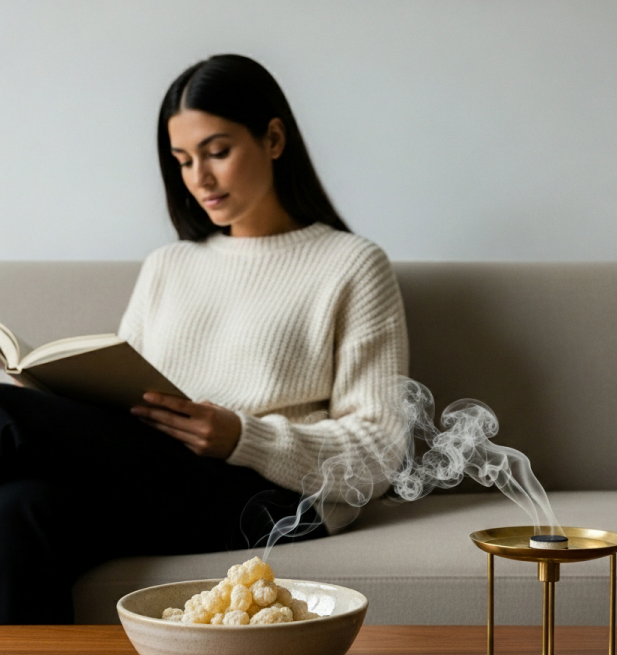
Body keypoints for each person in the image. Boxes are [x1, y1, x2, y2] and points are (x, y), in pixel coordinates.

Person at [0, 54, 408, 624]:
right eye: (184, 160)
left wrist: (245, 437)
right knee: (20, 507)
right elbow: (120, 406)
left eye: (217, 152)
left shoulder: (352, 264)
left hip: (272, 494)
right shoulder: (169, 265)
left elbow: (379, 454)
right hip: (157, 473)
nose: (200, 179)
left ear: (273, 138)